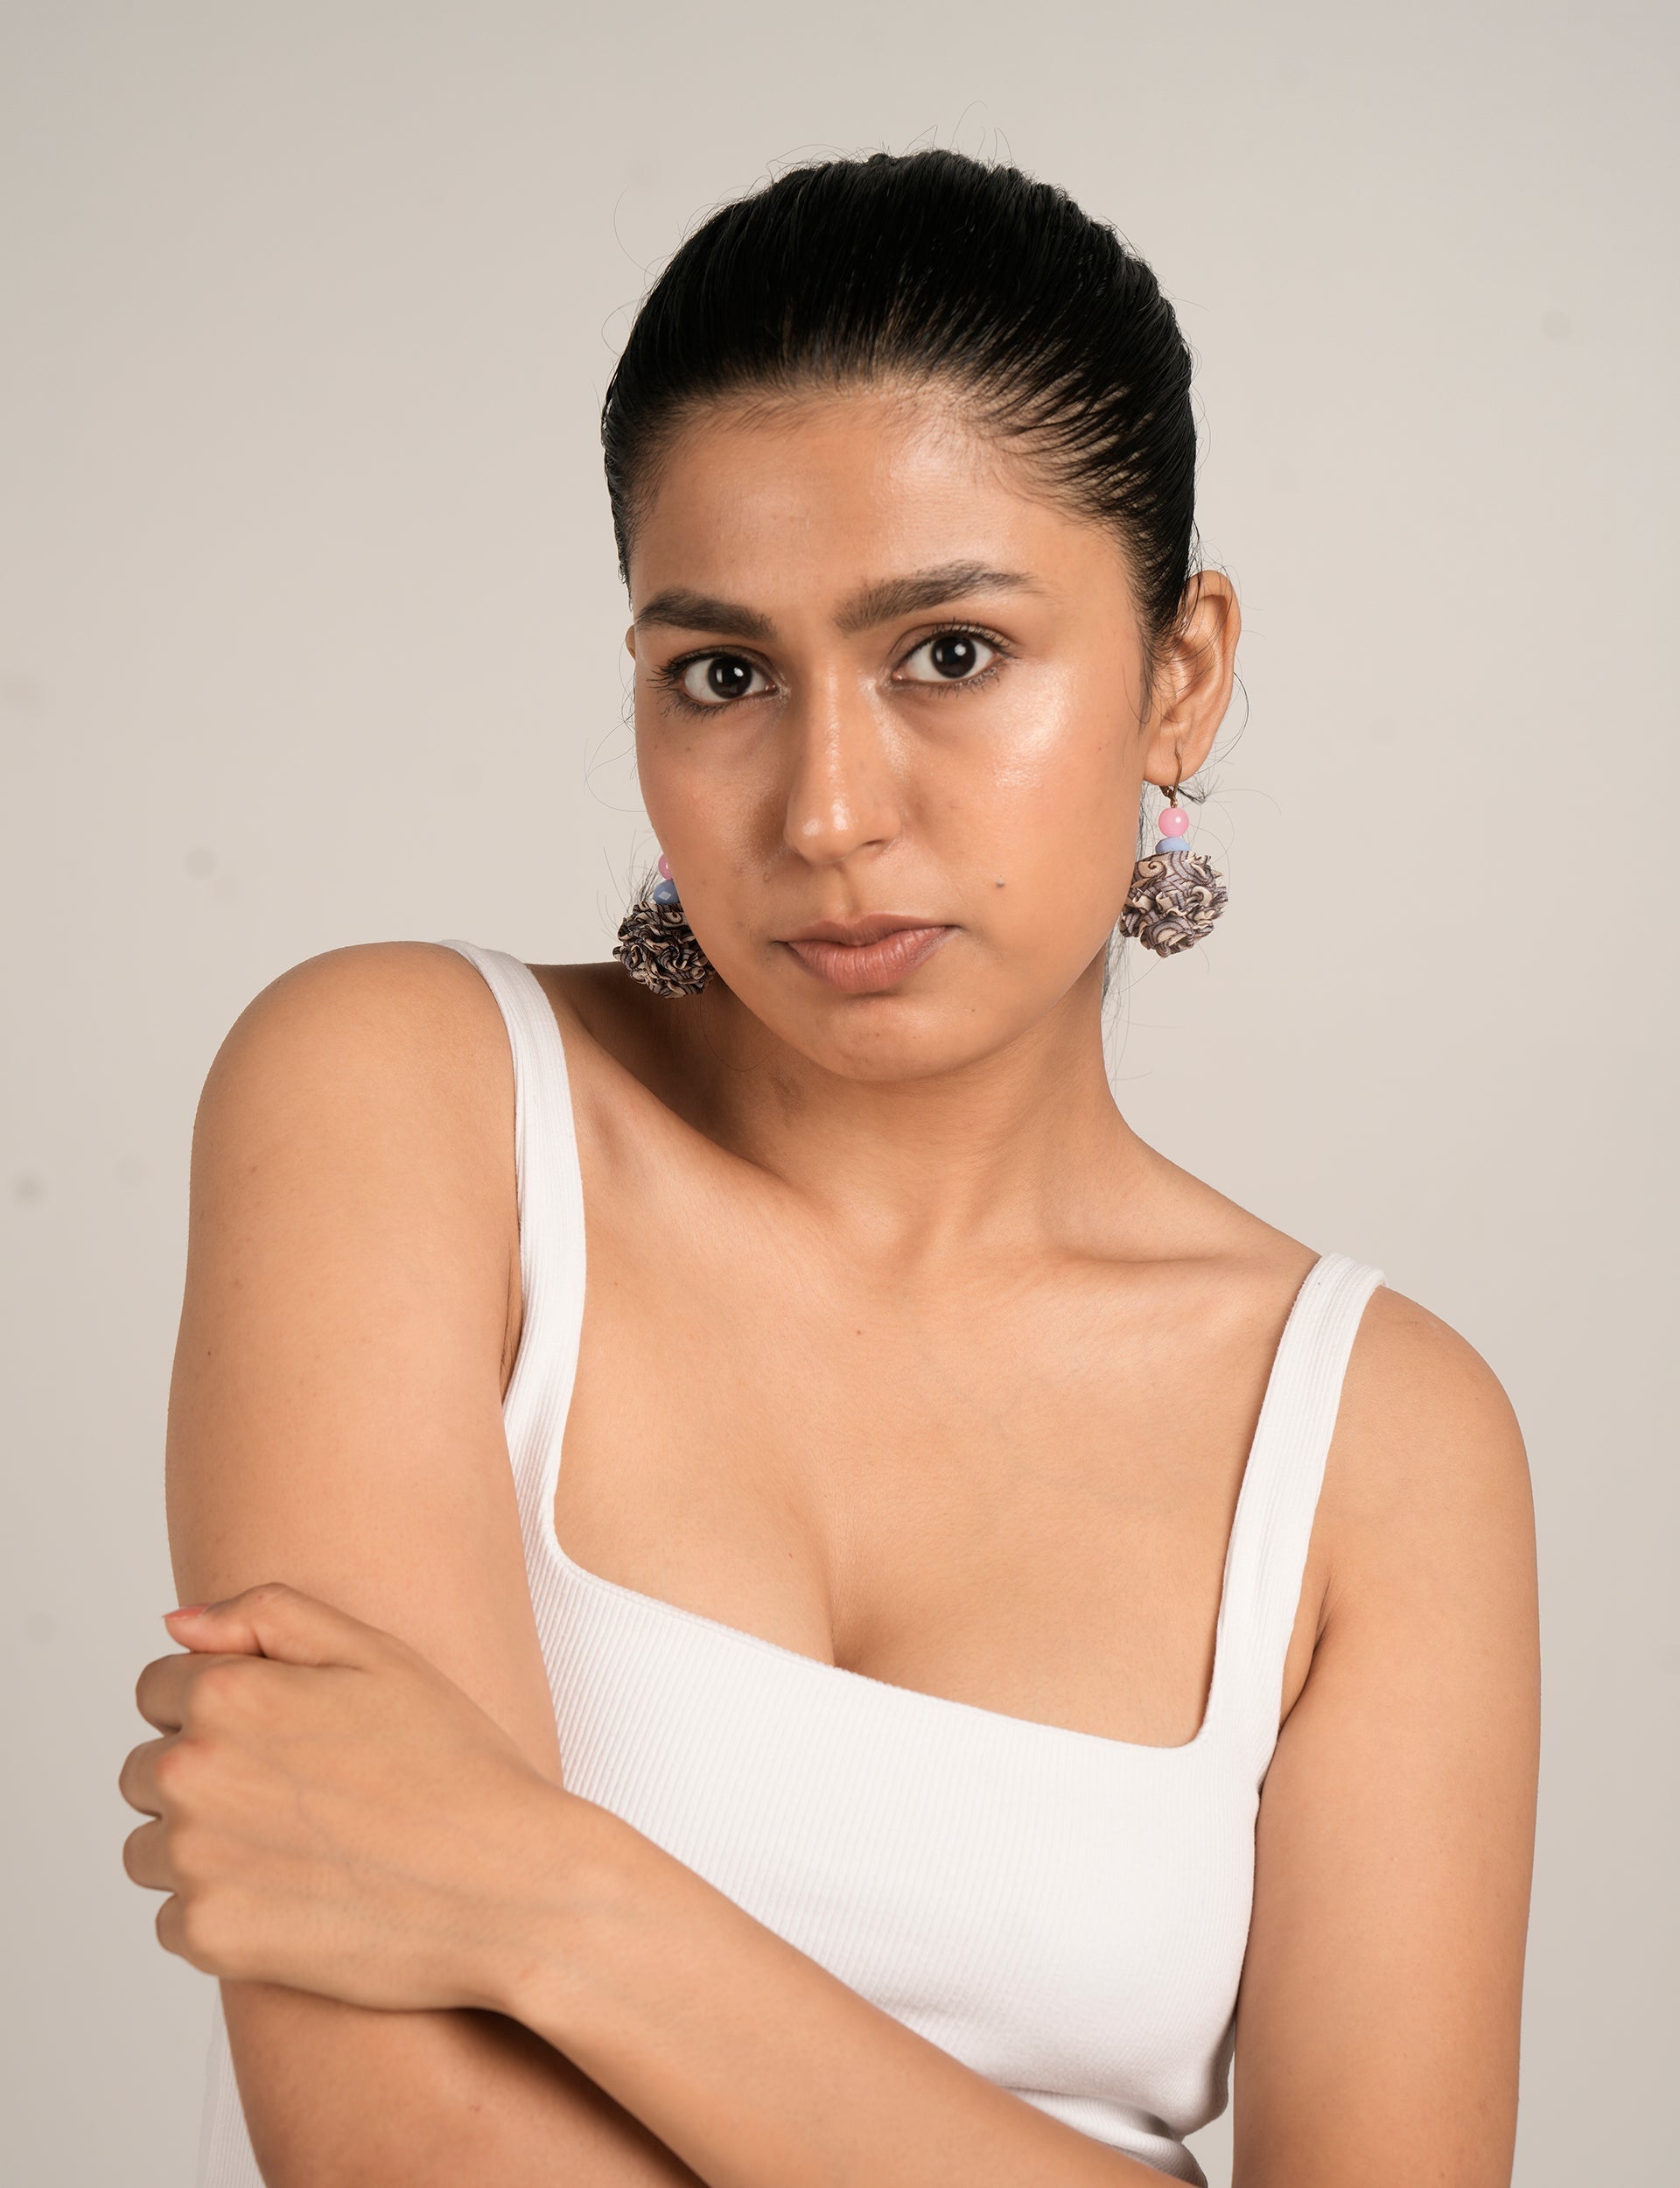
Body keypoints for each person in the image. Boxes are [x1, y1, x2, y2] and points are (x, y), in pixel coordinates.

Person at [119, 149, 1541, 2188]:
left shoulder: (1377, 1441)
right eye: (724, 673)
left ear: (1181, 673)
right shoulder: (410, 1100)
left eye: (949, 651)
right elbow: (406, 2147)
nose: (829, 809)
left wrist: (555, 1900)